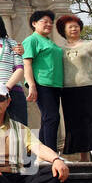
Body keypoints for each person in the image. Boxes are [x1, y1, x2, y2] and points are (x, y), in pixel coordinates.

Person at [56, 14, 92, 161]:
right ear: (63, 30)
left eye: (76, 26)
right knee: (75, 122)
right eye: (70, 27)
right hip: (68, 90)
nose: (74, 29)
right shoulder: (59, 49)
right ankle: (83, 156)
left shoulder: (90, 44)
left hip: (89, 87)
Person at [22, 10, 65, 153]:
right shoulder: (31, 40)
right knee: (52, 118)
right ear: (34, 23)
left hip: (55, 84)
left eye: (50, 22)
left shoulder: (48, 41)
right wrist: (32, 85)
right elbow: (27, 63)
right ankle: (52, 154)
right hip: (42, 83)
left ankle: (42, 154)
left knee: (48, 118)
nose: (48, 24)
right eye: (44, 21)